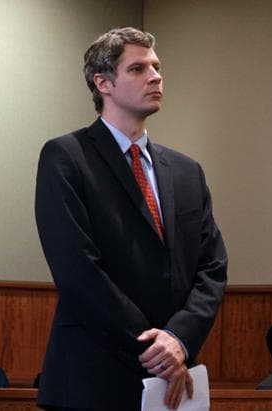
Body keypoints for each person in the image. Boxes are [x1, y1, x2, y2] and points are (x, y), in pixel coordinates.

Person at [34, 27, 227, 410]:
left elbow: (213, 267)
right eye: (138, 69)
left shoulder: (188, 171)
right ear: (102, 82)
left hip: (174, 377)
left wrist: (179, 338)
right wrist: (156, 348)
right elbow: (77, 270)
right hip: (95, 378)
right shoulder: (67, 157)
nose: (156, 76)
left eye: (157, 67)